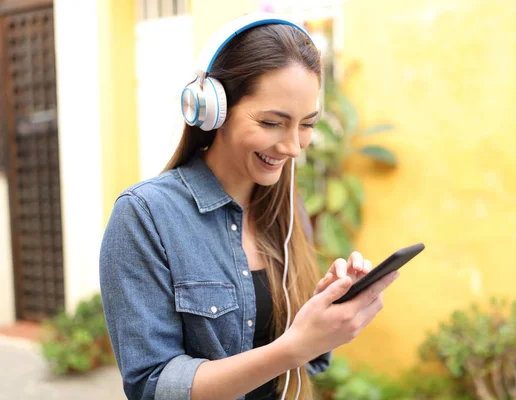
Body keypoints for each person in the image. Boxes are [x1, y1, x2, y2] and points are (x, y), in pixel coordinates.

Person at [99, 12, 399, 400]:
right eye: (273, 123)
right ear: (211, 109)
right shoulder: (144, 216)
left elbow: (305, 361)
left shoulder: (287, 209)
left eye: (306, 124)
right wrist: (292, 347)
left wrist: (323, 312)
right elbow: (153, 385)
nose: (293, 147)